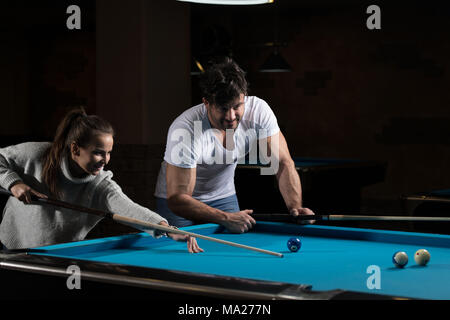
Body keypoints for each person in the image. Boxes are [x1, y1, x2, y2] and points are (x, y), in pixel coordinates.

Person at [0, 108, 203, 253]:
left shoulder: (100, 185)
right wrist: (14, 183)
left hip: (57, 254)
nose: (105, 160)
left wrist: (165, 228)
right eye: (98, 153)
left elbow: (128, 208)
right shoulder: (37, 155)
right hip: (12, 246)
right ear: (75, 149)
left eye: (108, 153)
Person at [154, 57, 314, 232]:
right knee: (180, 255)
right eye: (223, 108)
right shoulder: (185, 129)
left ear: (244, 97)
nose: (231, 116)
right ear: (206, 102)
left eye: (237, 106)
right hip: (179, 204)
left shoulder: (259, 112)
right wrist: (225, 217)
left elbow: (283, 163)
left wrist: (295, 208)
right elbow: (178, 199)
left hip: (223, 197)